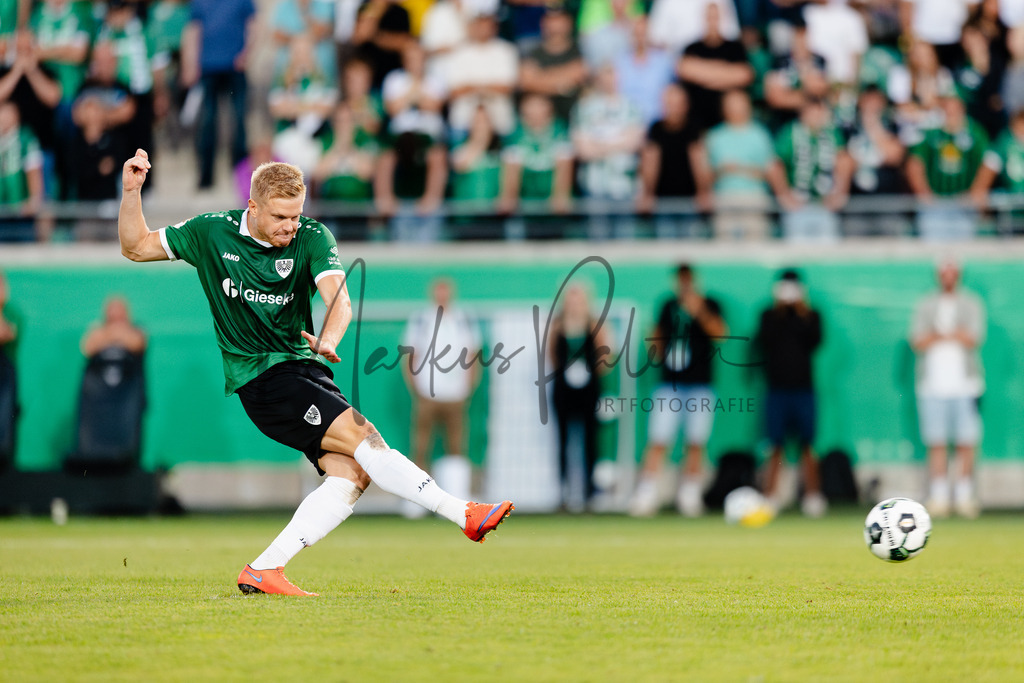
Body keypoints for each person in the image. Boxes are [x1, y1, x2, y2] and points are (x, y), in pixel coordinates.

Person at [118, 149, 514, 596]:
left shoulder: (312, 237)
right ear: (253, 207)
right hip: (262, 379)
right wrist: (132, 192)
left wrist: (330, 338)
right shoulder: (210, 232)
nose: (291, 225)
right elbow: (135, 246)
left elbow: (338, 299)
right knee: (367, 440)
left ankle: (265, 569)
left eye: (297, 214)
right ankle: (464, 515)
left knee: (352, 473)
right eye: (281, 216)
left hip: (305, 371)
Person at [630, 264, 726, 518]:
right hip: (669, 384)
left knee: (696, 441)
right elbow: (656, 337)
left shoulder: (710, 304)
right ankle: (647, 493)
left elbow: (720, 335)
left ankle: (689, 494)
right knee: (659, 439)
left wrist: (699, 311)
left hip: (700, 385)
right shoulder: (667, 305)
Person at [910, 259, 986, 519]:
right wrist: (951, 334)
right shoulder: (926, 303)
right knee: (937, 442)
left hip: (966, 384)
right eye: (944, 272)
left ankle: (964, 496)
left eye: (952, 272)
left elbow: (973, 337)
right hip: (932, 386)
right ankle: (940, 496)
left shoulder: (971, 302)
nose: (948, 277)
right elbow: (918, 340)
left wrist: (940, 335)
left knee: (966, 441)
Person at [401, 278, 481, 517]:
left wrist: (467, 387)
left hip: (456, 395)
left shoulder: (463, 318)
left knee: (456, 446)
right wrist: (416, 388)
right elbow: (410, 355)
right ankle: (417, 500)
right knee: (421, 446)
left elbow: (473, 354)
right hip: (427, 393)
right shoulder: (421, 319)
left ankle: (455, 499)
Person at [754, 270, 826, 517]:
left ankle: (813, 496)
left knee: (808, 445)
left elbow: (815, 340)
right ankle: (770, 497)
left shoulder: (811, 315)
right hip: (776, 391)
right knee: (774, 445)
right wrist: (780, 310)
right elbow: (764, 341)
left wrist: (800, 310)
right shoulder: (769, 314)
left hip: (804, 390)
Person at [182, 0, 257, 190]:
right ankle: (206, 175)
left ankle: (240, 176)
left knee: (239, 122)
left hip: (235, 65)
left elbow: (253, 24)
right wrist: (190, 63)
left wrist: (247, 53)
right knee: (207, 123)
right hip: (208, 66)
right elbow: (194, 31)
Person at [549, 284, 609, 512]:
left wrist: (587, 376)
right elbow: (551, 355)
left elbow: (605, 354)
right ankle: (564, 492)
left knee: (590, 441)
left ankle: (589, 493)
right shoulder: (557, 326)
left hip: (589, 390)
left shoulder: (595, 325)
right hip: (563, 390)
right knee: (563, 440)